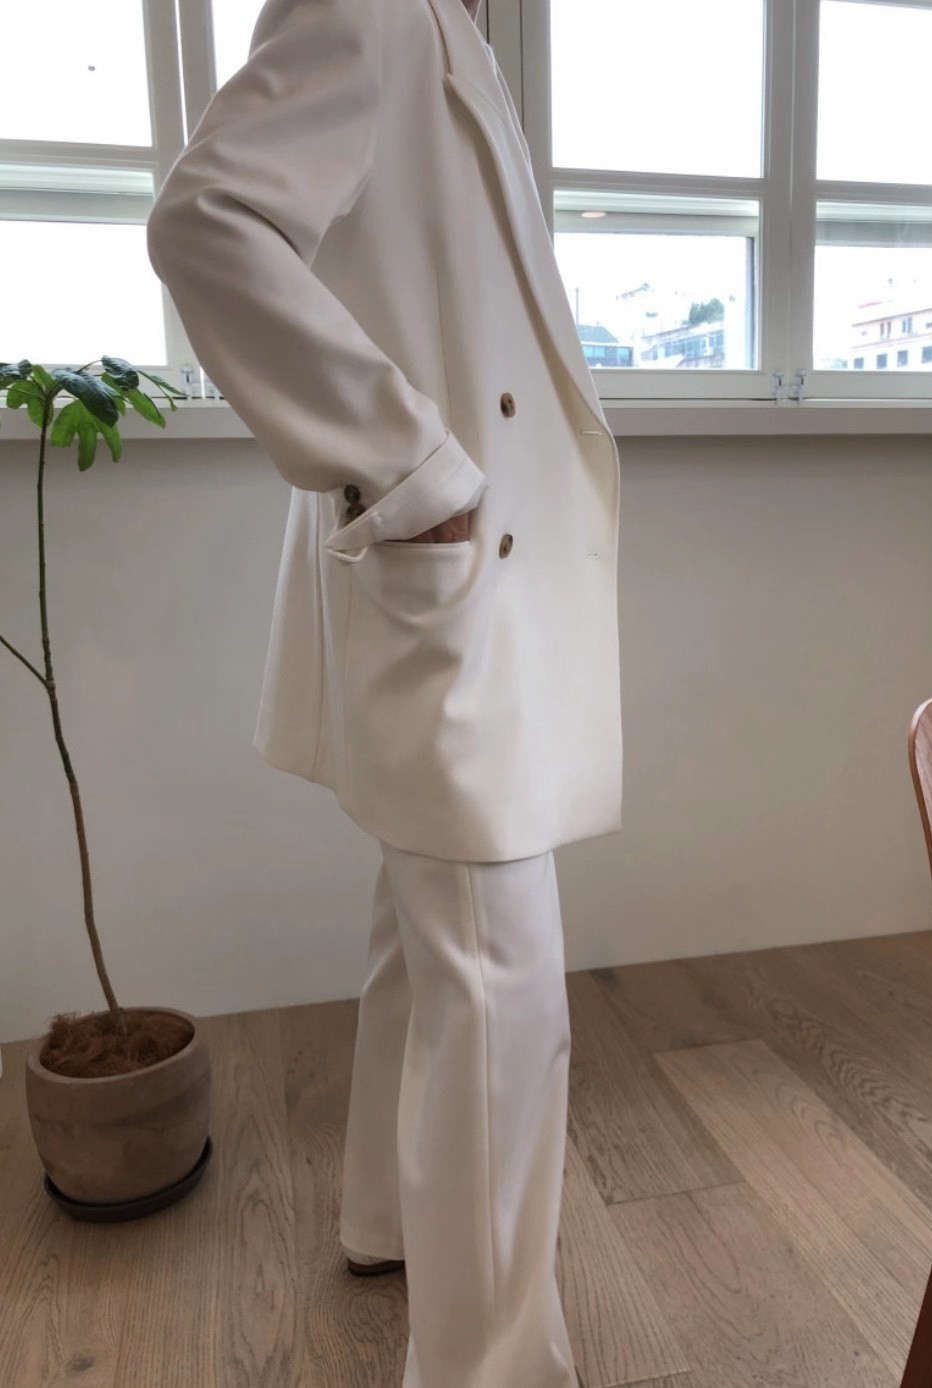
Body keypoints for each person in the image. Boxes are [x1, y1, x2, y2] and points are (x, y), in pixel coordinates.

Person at [145, 0, 623, 1383]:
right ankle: (491, 1367)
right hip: (454, 564)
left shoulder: (452, 29)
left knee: (429, 926)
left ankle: (383, 1217)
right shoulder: (368, 6)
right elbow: (206, 223)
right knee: (500, 980)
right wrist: (408, 464)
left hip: (467, 570)